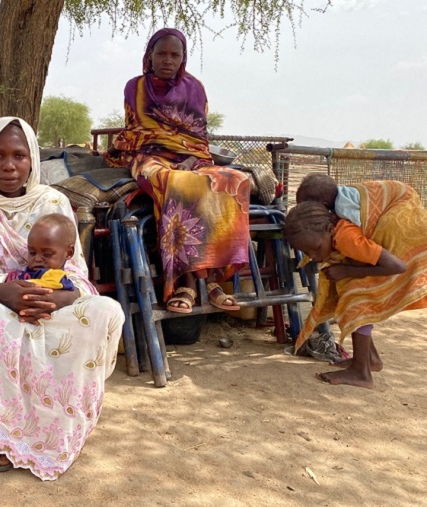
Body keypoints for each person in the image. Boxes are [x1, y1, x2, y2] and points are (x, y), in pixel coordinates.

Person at [0, 117, 125, 480]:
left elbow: (75, 277)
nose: (9, 165)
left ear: (33, 159)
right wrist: (3, 292)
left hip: (45, 304)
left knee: (106, 310)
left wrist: (45, 301)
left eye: (19, 155)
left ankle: (53, 426)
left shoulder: (53, 201)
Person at [104, 28, 250, 314]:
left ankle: (213, 278)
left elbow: (197, 135)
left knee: (235, 180)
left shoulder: (195, 88)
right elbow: (138, 130)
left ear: (183, 58)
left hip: (190, 156)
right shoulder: (135, 87)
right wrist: (176, 161)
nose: (167, 60)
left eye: (175, 54)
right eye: (162, 54)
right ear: (150, 56)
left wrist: (190, 158)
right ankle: (192, 284)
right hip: (149, 156)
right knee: (177, 183)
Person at [284, 180, 427, 388]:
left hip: (403, 254)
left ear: (329, 228)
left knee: (355, 296)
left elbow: (397, 266)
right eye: (307, 253)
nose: (314, 256)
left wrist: (347, 271)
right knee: (349, 289)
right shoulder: (336, 229)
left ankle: (362, 373)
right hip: (388, 253)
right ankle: (370, 360)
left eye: (315, 248)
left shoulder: (346, 238)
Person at [0, 212, 76, 291]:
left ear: (69, 253)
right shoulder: (25, 273)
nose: (37, 259)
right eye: (32, 253)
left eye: (47, 254)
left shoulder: (59, 279)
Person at [296, 173, 361, 226]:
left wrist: (336, 221)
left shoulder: (341, 208)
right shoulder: (345, 190)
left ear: (324, 205)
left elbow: (361, 222)